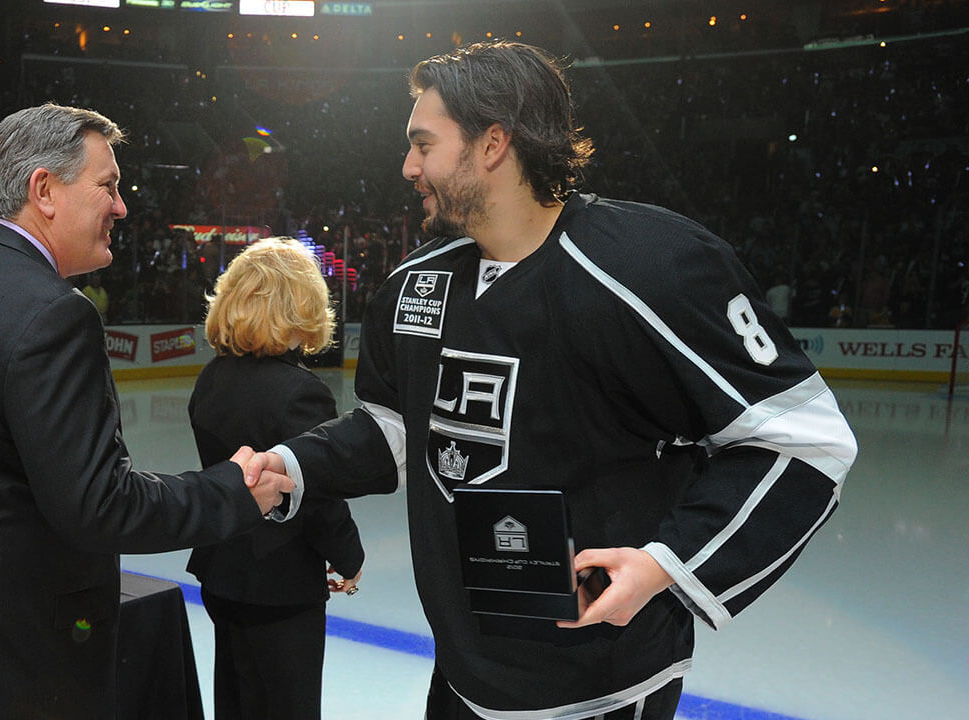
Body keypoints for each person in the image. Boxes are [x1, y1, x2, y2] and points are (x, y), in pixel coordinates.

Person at [243, 41, 858, 720]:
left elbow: (802, 440)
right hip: (462, 672)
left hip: (597, 683)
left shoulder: (655, 267)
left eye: (424, 144)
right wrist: (295, 463)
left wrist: (664, 564)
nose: (408, 167)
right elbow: (396, 427)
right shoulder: (412, 287)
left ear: (493, 144)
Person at [0, 103, 292, 719]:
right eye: (108, 186)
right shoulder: (52, 313)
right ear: (45, 190)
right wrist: (232, 492)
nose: (121, 207)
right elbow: (99, 506)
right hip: (11, 663)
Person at [188, 237, 364, 720]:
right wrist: (350, 557)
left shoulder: (211, 378)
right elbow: (318, 496)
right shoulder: (300, 393)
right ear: (299, 305)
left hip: (222, 572)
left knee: (237, 702)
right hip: (281, 583)